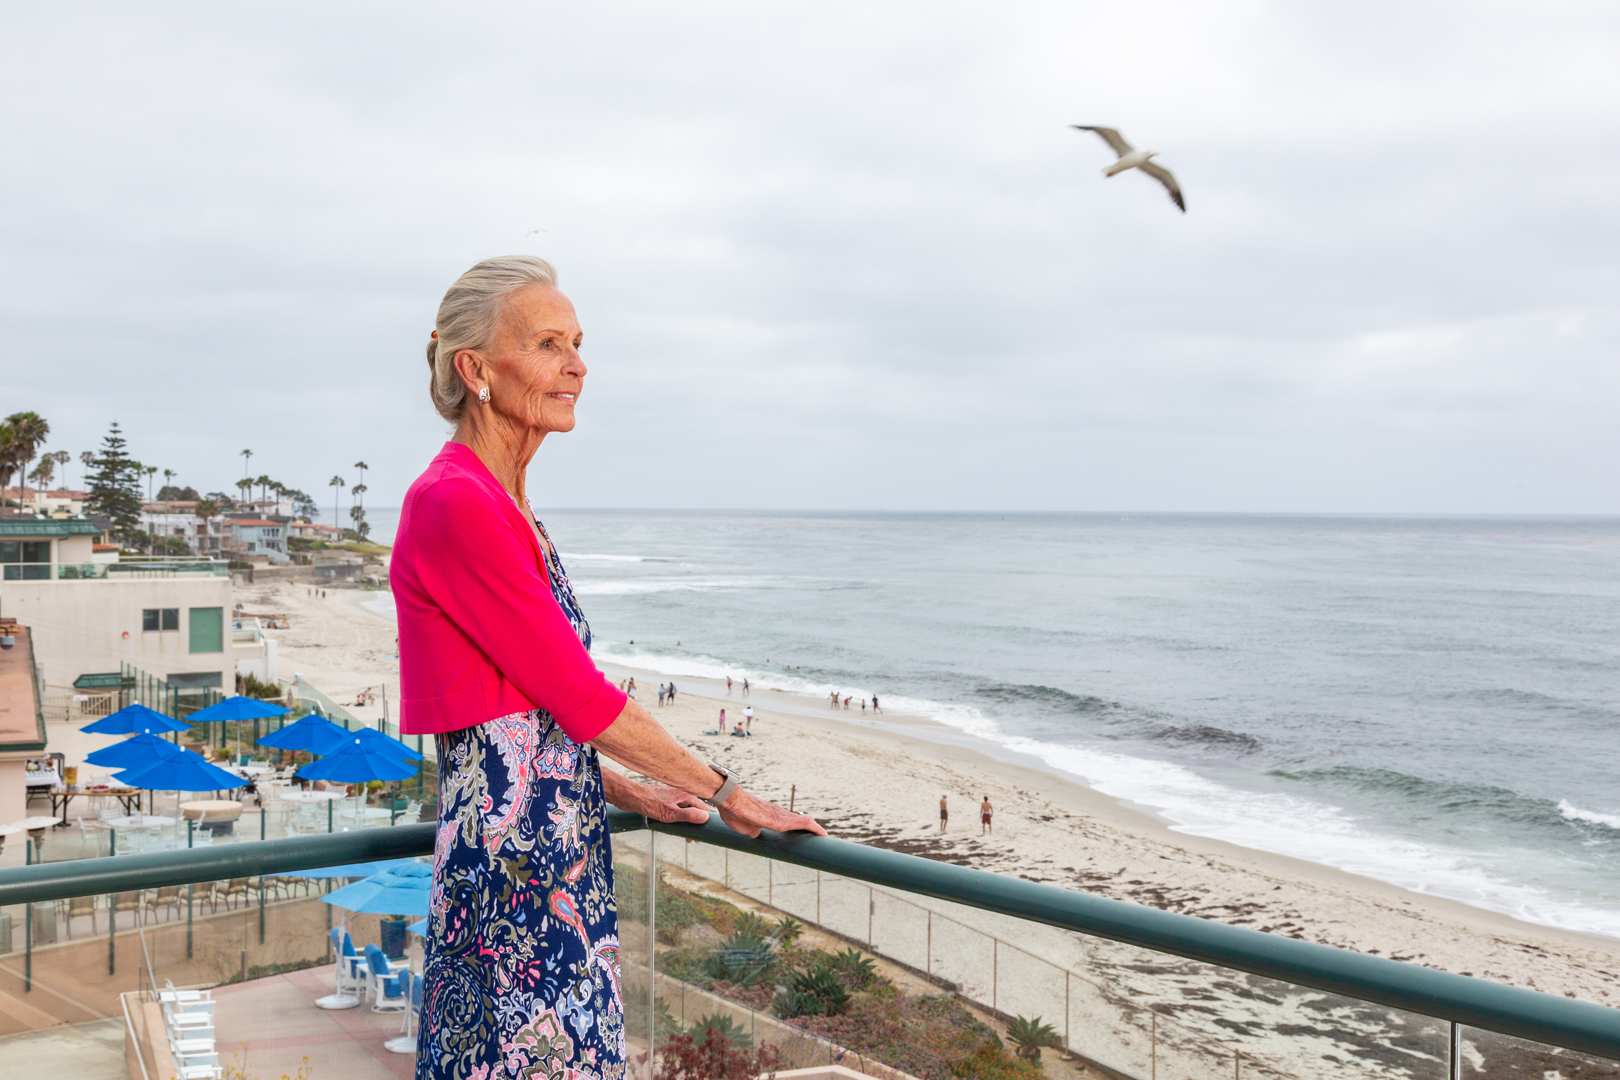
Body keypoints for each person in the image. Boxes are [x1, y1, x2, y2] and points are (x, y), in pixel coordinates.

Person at [393, 256, 823, 1080]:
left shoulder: (504, 502)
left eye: (579, 343)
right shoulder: (456, 502)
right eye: (549, 343)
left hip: (556, 853)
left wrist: (629, 791)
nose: (577, 365)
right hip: (517, 875)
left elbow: (518, 714)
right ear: (475, 369)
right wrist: (728, 794)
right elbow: (581, 699)